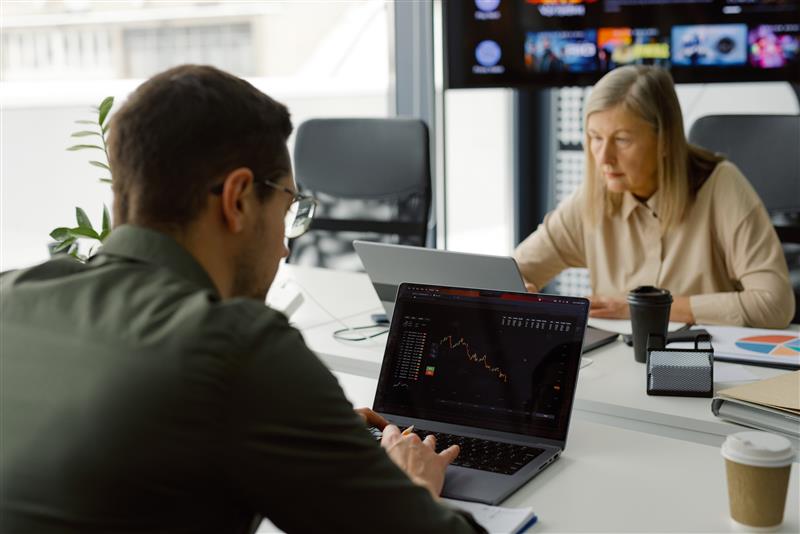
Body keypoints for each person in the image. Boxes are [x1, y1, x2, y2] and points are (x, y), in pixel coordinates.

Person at [0, 65, 485, 533]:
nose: (285, 246)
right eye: (289, 207)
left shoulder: (10, 294)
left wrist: (315, 438)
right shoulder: (239, 348)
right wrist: (413, 486)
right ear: (237, 200)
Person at [514, 65, 794, 328]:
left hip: (702, 358)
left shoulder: (721, 185)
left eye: (622, 139)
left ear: (665, 140)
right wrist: (516, 291)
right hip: (618, 357)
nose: (604, 158)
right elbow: (513, 271)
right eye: (595, 138)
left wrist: (639, 309)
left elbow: (775, 304)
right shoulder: (593, 195)